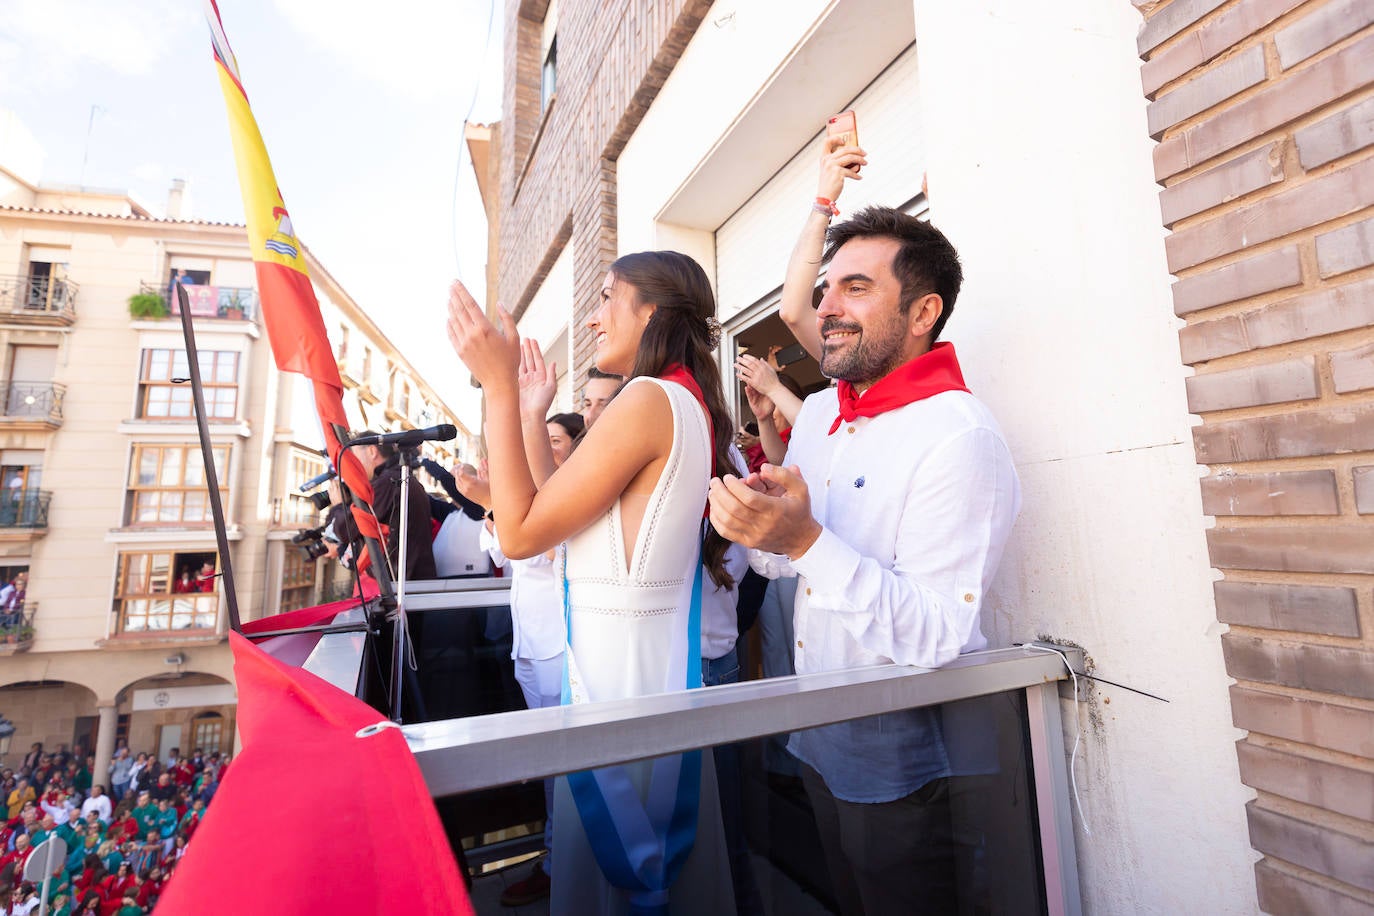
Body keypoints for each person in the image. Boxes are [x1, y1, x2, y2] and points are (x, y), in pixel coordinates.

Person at [708, 180, 1022, 914]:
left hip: (905, 766)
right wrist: (761, 529)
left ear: (923, 312)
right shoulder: (819, 411)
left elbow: (938, 634)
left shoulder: (959, 436)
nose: (825, 311)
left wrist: (804, 538)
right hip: (817, 739)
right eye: (825, 291)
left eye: (855, 288)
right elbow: (781, 565)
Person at [446, 251, 737, 915]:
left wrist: (494, 385)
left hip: (617, 687)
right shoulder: (682, 401)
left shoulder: (645, 400)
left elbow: (520, 537)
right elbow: (565, 521)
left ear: (653, 311)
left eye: (607, 297)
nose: (593, 315)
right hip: (639, 675)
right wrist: (528, 409)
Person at [349, 434, 436, 581]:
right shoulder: (399, 477)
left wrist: (339, 504)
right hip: (411, 581)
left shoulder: (389, 482)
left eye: (355, 457)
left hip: (405, 585)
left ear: (372, 451)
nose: (354, 466)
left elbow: (348, 528)